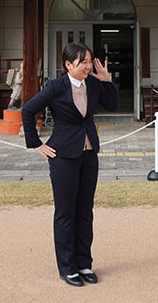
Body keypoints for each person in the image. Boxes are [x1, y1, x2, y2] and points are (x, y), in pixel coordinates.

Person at [21, 42, 118, 287]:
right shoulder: (55, 87)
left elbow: (113, 105)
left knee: (85, 212)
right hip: (62, 157)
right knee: (66, 213)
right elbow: (28, 110)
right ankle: (67, 267)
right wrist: (36, 144)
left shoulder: (94, 83)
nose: (87, 66)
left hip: (89, 155)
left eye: (89, 61)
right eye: (82, 62)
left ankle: (85, 263)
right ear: (68, 64)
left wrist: (107, 81)